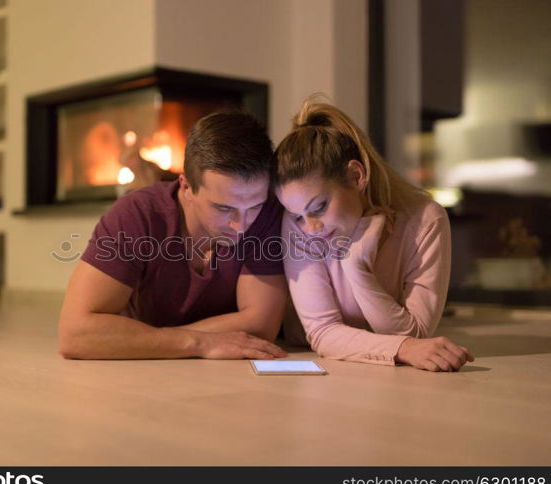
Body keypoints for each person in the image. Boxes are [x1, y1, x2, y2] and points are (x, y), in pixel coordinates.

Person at [59, 111, 288, 360]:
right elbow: (75, 335)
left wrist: (143, 340)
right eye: (223, 208)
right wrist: (198, 343)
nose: (241, 226)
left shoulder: (268, 213)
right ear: (187, 187)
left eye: (253, 207)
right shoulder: (136, 215)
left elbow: (261, 325)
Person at [274, 96, 474, 372]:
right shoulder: (298, 225)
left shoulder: (425, 220)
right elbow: (322, 332)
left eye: (319, 207)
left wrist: (358, 269)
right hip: (305, 357)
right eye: (297, 215)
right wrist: (402, 348)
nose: (310, 228)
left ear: (357, 176)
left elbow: (416, 333)